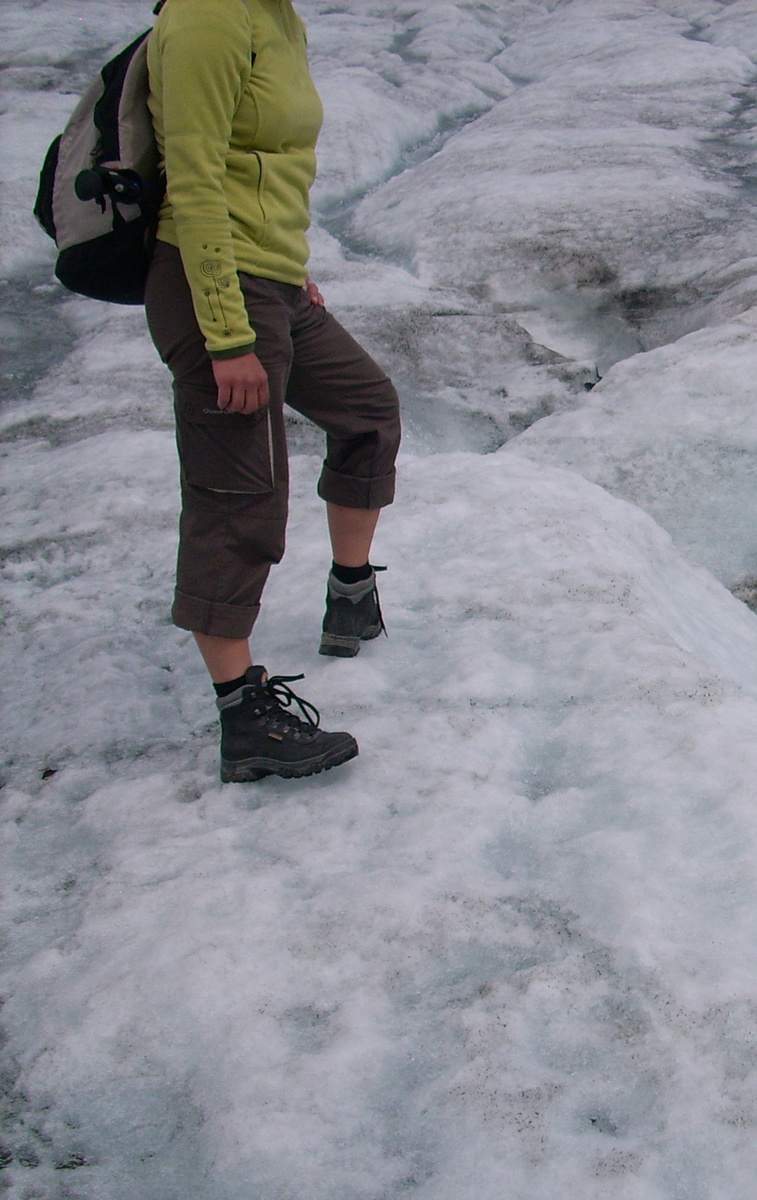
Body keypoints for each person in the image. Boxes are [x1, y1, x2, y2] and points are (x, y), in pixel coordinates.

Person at [143, 0, 401, 783]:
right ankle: (242, 714)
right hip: (213, 286)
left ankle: (349, 593)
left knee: (368, 409)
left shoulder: (274, 14)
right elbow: (194, 179)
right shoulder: (207, 16)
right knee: (238, 495)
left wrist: (290, 273)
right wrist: (228, 335)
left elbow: (263, 167)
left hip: (273, 280)